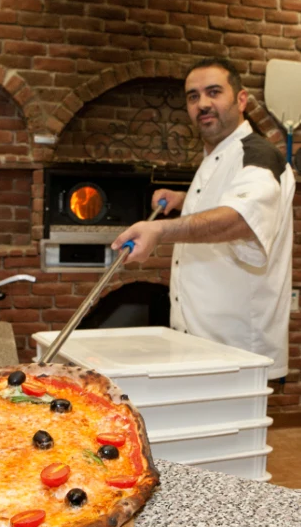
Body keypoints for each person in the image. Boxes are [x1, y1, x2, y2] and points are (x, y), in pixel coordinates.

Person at [111, 57, 295, 380]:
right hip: (203, 344)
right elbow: (227, 201)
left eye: (213, 92)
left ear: (240, 100)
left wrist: (160, 229)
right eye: (193, 96)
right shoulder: (216, 156)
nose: (202, 104)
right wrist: (184, 200)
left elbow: (240, 219)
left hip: (238, 351)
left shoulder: (259, 155)